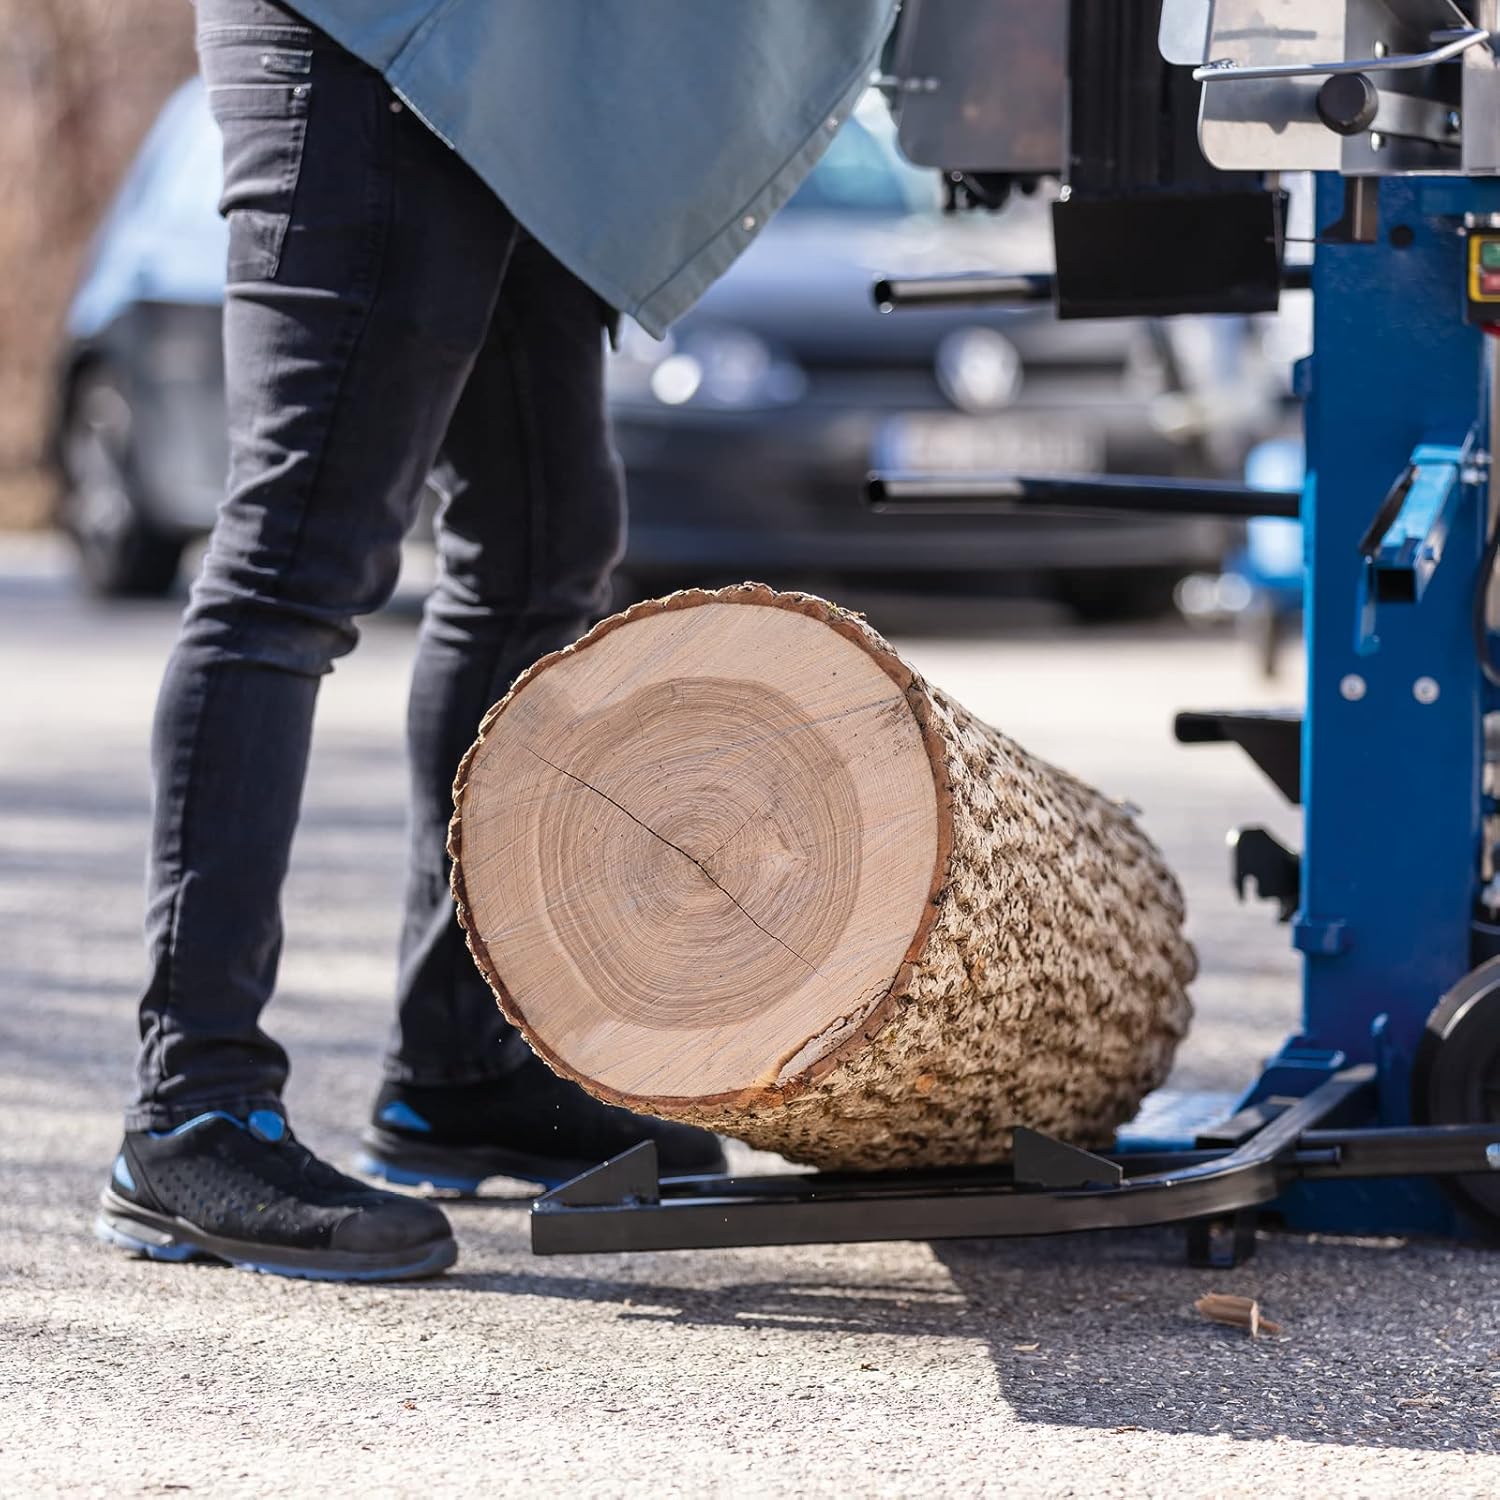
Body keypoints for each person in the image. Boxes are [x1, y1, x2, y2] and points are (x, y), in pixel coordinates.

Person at [95, 0, 899, 1281]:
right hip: (367, 49)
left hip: (514, 100)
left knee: (545, 550)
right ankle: (189, 1111)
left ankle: (456, 1066)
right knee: (295, 561)